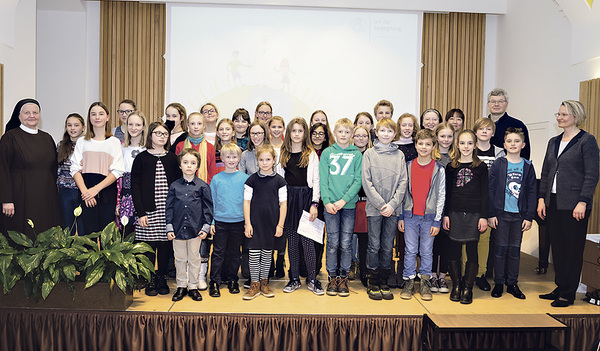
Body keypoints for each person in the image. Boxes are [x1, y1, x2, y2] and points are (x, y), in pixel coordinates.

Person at [537, 100, 599, 307]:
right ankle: (560, 286)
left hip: (575, 204)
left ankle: (568, 293)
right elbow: (546, 172)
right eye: (558, 114)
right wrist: (541, 199)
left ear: (576, 116)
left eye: (564, 114)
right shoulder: (553, 141)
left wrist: (583, 201)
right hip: (553, 202)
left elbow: (592, 174)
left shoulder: (586, 141)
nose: (559, 117)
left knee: (572, 249)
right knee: (558, 248)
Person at [131, 121, 182, 296]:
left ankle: (161, 277)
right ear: (150, 135)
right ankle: (150, 277)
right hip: (148, 210)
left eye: (165, 134)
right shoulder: (141, 158)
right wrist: (140, 212)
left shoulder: (172, 158)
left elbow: (178, 185)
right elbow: (135, 187)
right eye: (158, 133)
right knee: (149, 245)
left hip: (167, 210)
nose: (161, 136)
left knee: (165, 245)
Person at [0, 98, 61, 238]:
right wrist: (6, 199)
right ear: (19, 116)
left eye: (35, 112)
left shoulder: (47, 138)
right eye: (27, 112)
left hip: (46, 195)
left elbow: (53, 168)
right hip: (20, 195)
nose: (31, 115)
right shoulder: (10, 138)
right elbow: (3, 169)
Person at [362, 117, 407, 301]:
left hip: (393, 209)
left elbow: (403, 182)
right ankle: (372, 281)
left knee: (388, 246)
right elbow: (367, 181)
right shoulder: (369, 154)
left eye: (389, 131)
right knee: (374, 245)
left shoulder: (400, 155)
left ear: (394, 134)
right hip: (375, 208)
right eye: (382, 131)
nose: (386, 134)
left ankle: (383, 280)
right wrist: (381, 204)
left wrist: (392, 205)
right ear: (376, 133)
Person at [488, 128, 536, 300]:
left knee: (514, 251)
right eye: (509, 141)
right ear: (504, 144)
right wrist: (491, 213)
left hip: (518, 216)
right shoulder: (498, 164)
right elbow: (491, 189)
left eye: (516, 141)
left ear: (523, 145)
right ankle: (499, 282)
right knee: (500, 250)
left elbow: (532, 192)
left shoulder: (528, 166)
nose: (513, 144)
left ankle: (512, 283)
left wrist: (529, 216)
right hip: (500, 215)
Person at [398, 128, 445, 301]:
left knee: (426, 251)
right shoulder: (408, 166)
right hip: (410, 216)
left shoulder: (438, 170)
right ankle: (409, 280)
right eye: (420, 144)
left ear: (433, 146)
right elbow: (402, 193)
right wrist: (401, 216)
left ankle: (425, 281)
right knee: (410, 250)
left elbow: (441, 196)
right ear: (415, 145)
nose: (423, 147)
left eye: (428, 144)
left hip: (430, 218)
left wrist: (437, 221)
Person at [278, 117, 323, 296]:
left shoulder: (310, 154)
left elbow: (317, 181)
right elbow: (280, 180)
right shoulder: (284, 152)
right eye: (294, 131)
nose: (297, 134)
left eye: (300, 131)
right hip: (289, 200)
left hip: (306, 199)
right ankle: (294, 278)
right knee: (293, 242)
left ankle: (312, 278)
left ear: (305, 133)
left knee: (307, 242)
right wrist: (281, 203)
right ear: (289, 133)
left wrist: (314, 204)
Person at [442, 130, 489, 305]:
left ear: (475, 145)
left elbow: (485, 193)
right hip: (454, 213)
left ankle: (468, 288)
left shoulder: (481, 167)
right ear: (457, 145)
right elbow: (447, 192)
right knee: (453, 250)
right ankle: (456, 285)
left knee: (471, 250)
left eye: (470, 143)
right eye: (462, 143)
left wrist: (483, 216)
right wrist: (446, 214)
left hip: (474, 214)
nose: (466, 147)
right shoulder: (451, 166)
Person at [173, 112, 217, 289]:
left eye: (199, 123)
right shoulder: (179, 147)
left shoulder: (211, 148)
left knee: (202, 235)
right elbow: (177, 174)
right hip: (184, 197)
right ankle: (183, 280)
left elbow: (212, 173)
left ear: (204, 125)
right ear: (187, 125)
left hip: (202, 195)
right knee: (186, 239)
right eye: (193, 123)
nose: (196, 126)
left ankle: (200, 275)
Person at [320, 118, 363, 297]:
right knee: (332, 243)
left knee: (346, 243)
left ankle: (343, 277)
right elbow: (323, 180)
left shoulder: (357, 155)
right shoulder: (327, 153)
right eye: (340, 132)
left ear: (352, 135)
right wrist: (327, 201)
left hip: (348, 206)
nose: (343, 135)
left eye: (347, 132)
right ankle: (332, 277)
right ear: (335, 133)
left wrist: (344, 201)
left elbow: (357, 181)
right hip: (330, 206)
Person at [70, 102, 125, 237]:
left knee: (106, 238)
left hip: (106, 194)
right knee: (88, 238)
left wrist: (95, 190)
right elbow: (75, 169)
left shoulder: (114, 142)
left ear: (107, 117)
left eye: (101, 114)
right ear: (89, 118)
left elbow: (117, 171)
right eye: (93, 114)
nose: (97, 117)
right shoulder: (82, 142)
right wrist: (86, 193)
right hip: (86, 193)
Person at [167, 148, 213, 302]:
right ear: (180, 165)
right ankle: (181, 286)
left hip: (196, 230)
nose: (189, 166)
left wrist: (205, 227)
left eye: (192, 163)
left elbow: (208, 208)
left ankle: (193, 286)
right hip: (178, 230)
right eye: (185, 162)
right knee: (180, 259)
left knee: (194, 259)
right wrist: (169, 227)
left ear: (197, 166)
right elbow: (170, 207)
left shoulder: (202, 186)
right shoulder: (174, 186)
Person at [243, 144, 287, 300]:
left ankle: (264, 283)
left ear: (274, 160)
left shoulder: (280, 181)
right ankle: (254, 284)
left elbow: (283, 204)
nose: (265, 163)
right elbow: (246, 202)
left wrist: (280, 225)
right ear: (257, 161)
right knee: (254, 254)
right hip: (255, 224)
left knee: (267, 254)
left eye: (268, 159)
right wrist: (247, 224)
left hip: (271, 224)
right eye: (261, 160)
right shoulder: (251, 180)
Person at [208, 143, 249, 297]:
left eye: (234, 157)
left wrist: (247, 222)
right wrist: (212, 222)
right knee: (218, 253)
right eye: (228, 157)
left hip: (238, 221)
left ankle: (232, 279)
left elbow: (248, 202)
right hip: (220, 221)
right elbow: (212, 201)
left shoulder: (245, 179)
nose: (231, 160)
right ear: (222, 159)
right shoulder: (216, 179)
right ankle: (215, 281)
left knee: (234, 253)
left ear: (239, 158)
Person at [472, 117, 505, 292]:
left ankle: (481, 274)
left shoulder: (500, 152)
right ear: (475, 131)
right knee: (468, 239)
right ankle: (466, 273)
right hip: (471, 200)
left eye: (488, 129)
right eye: (481, 129)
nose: (484, 132)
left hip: (491, 201)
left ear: (493, 133)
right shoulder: (469, 149)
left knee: (484, 240)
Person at [429, 122, 455, 293]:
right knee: (432, 243)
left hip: (450, 207)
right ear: (436, 137)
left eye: (449, 136)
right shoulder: (432, 158)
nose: (446, 139)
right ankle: (432, 276)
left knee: (446, 243)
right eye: (442, 136)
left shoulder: (456, 159)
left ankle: (443, 277)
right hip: (432, 207)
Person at [117, 111, 147, 236]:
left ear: (144, 127)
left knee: (143, 232)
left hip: (143, 194)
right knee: (126, 232)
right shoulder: (121, 147)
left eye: (138, 125)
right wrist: (118, 202)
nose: (134, 128)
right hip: (126, 194)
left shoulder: (148, 149)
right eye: (131, 124)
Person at [56, 113, 85, 235]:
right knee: (67, 226)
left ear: (83, 127)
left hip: (82, 190)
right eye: (69, 125)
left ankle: (85, 252)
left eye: (76, 125)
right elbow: (57, 168)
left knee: (83, 225)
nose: (72, 128)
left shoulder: (87, 145)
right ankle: (68, 252)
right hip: (65, 190)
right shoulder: (60, 145)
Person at [351, 125, 372, 285]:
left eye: (364, 136)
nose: (360, 138)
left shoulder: (372, 155)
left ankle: (365, 271)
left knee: (365, 239)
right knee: (349, 238)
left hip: (367, 203)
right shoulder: (348, 154)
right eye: (357, 135)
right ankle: (350, 266)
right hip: (350, 202)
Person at [486, 88, 531, 159]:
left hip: (510, 168)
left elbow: (525, 153)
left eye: (500, 101)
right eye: (493, 101)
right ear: (488, 105)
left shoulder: (518, 125)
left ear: (506, 104)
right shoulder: (481, 125)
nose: (496, 104)